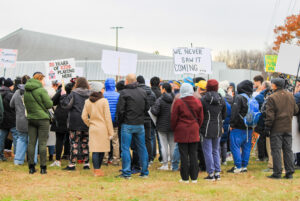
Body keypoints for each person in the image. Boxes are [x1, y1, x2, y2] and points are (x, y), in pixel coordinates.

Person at [117, 74, 149, 179]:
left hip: (127, 124)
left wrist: (120, 121)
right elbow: (147, 108)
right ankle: (144, 172)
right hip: (139, 124)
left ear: (127, 81)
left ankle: (126, 172)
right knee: (142, 148)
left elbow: (120, 110)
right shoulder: (143, 92)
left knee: (125, 148)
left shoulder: (124, 93)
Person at [265, 78, 298, 179]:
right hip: (288, 127)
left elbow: (270, 116)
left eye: (272, 84)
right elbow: (296, 110)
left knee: (276, 150)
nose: (271, 85)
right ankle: (289, 172)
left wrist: (267, 127)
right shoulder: (290, 96)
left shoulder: (272, 97)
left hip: (276, 128)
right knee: (288, 150)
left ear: (275, 85)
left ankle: (277, 173)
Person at [171, 83, 204, 183]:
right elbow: (201, 118)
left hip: (181, 130)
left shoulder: (178, 102)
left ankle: (185, 178)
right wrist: (197, 126)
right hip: (194, 129)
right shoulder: (198, 102)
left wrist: (174, 128)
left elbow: (174, 118)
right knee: (194, 154)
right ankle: (194, 177)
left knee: (183, 155)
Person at [82, 82, 114, 176]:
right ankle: (97, 169)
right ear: (100, 90)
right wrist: (110, 131)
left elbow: (84, 116)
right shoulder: (104, 101)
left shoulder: (87, 101)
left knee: (95, 149)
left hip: (93, 127)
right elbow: (108, 118)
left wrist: (90, 124)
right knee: (101, 150)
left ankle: (97, 170)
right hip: (103, 128)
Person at [24, 72, 53, 174]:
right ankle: (43, 168)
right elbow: (49, 104)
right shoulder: (41, 90)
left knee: (31, 143)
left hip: (31, 118)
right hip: (42, 119)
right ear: (40, 79)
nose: (44, 82)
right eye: (43, 79)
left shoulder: (26, 91)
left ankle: (31, 167)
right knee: (42, 143)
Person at [61, 77, 91, 171]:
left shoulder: (73, 93)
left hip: (75, 121)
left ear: (76, 84)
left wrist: (63, 96)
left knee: (74, 142)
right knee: (85, 143)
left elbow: (66, 105)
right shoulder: (91, 93)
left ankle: (72, 164)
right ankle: (86, 163)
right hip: (87, 121)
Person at [200, 80, 227, 181]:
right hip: (218, 127)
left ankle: (210, 173)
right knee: (216, 150)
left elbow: (200, 114)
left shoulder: (203, 99)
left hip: (206, 128)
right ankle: (217, 172)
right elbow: (224, 114)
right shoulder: (221, 99)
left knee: (208, 151)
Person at [228, 80, 254, 173]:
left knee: (235, 146)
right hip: (249, 126)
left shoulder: (239, 97)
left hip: (238, 127)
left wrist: (232, 124)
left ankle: (237, 166)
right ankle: (244, 166)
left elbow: (234, 112)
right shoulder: (251, 97)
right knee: (246, 147)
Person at [151, 82, 175, 170]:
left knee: (164, 145)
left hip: (162, 125)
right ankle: (173, 164)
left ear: (164, 89)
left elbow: (155, 111)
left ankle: (165, 164)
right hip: (173, 125)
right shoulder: (175, 99)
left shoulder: (160, 100)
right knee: (172, 145)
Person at [9, 75, 30, 165]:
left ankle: (18, 160)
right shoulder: (32, 91)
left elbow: (11, 105)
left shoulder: (17, 92)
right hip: (31, 119)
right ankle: (32, 159)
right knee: (32, 140)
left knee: (21, 139)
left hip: (20, 120)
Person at [49, 82, 70, 167]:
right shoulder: (75, 92)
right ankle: (70, 157)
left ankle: (58, 159)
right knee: (70, 139)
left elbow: (53, 102)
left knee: (60, 139)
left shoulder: (62, 91)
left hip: (61, 116)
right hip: (71, 117)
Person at [137, 75, 156, 163]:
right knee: (149, 138)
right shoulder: (151, 92)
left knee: (139, 139)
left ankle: (141, 158)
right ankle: (150, 158)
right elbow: (154, 104)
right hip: (149, 118)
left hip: (139, 118)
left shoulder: (137, 91)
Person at [103, 78, 120, 166]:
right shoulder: (118, 95)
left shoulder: (103, 95)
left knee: (105, 140)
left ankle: (105, 159)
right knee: (115, 141)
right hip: (115, 120)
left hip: (105, 121)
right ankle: (116, 160)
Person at [0, 78, 18, 162]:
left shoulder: (0, 93)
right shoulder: (11, 95)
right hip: (12, 119)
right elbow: (15, 107)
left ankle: (1, 155)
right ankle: (18, 155)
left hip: (2, 120)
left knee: (1, 137)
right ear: (10, 86)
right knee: (16, 138)